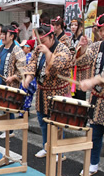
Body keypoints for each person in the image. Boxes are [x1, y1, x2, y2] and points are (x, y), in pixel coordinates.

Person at [23, 24, 74, 159]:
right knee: (43, 121)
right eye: (39, 41)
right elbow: (32, 62)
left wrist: (47, 53)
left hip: (57, 93)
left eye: (43, 41)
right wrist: (28, 78)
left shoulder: (63, 49)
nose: (41, 44)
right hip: (42, 92)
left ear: (52, 37)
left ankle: (59, 151)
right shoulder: (39, 48)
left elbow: (56, 67)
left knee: (57, 124)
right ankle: (46, 146)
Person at [76, 10, 104, 176]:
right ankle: (93, 164)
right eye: (100, 30)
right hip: (97, 100)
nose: (102, 34)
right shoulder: (96, 46)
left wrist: (93, 80)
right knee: (95, 134)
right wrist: (82, 48)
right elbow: (82, 62)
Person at [69, 17, 89, 100]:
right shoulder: (70, 40)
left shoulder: (86, 41)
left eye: (76, 25)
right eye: (72, 25)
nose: (73, 27)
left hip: (81, 76)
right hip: (71, 75)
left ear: (81, 27)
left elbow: (87, 58)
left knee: (79, 102)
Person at [19, 40, 37, 117]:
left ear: (29, 48)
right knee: (27, 96)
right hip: (26, 79)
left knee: (26, 95)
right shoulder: (27, 56)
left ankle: (24, 111)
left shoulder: (30, 57)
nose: (23, 48)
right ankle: (25, 110)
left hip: (29, 80)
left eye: (24, 47)